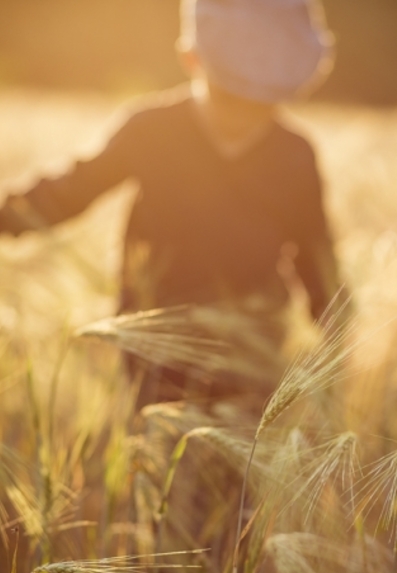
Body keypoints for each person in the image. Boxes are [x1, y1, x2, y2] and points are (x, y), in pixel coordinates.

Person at [0, 0, 344, 409]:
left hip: (252, 343)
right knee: (155, 448)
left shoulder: (295, 156)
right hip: (152, 337)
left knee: (238, 461)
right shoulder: (150, 131)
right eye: (231, 95)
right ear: (190, 59)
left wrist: (339, 334)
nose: (245, 116)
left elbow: (314, 253)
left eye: (264, 102)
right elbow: (73, 189)